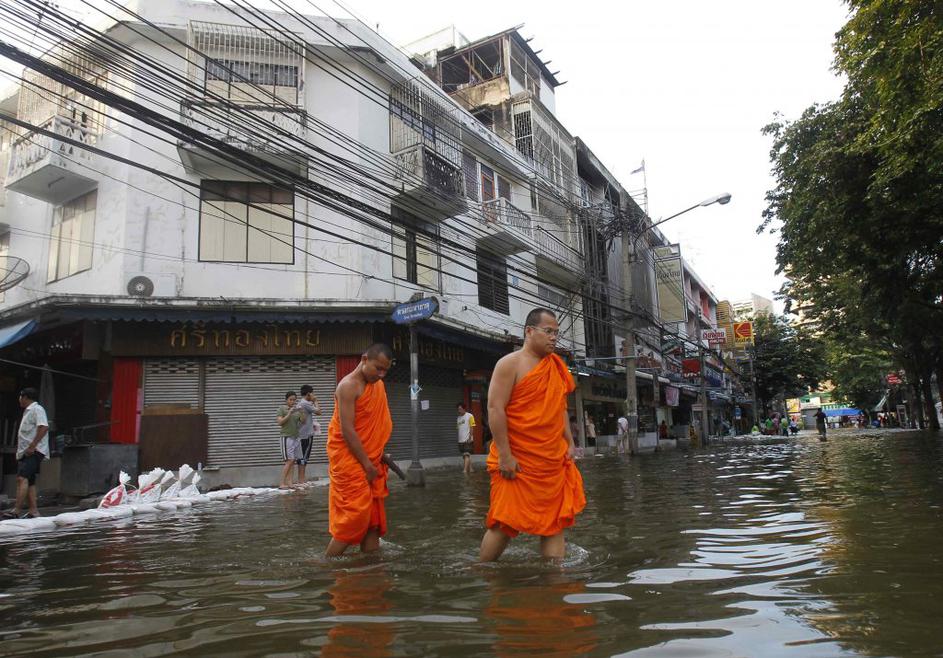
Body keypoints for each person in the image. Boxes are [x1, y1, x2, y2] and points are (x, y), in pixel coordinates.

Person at [479, 308, 586, 562]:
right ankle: (482, 571)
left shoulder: (555, 368)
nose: (553, 338)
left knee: (554, 523)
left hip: (551, 460)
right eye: (548, 331)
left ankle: (554, 582)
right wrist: (505, 455)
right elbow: (495, 409)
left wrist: (569, 442)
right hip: (516, 460)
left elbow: (558, 408)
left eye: (556, 333)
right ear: (529, 331)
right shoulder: (510, 364)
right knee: (503, 524)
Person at [325, 343, 394, 557]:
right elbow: (348, 431)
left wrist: (378, 453)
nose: (381, 375)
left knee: (372, 522)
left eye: (385, 370)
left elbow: (374, 427)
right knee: (352, 519)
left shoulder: (378, 385)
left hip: (370, 460)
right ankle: (326, 564)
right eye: (378, 368)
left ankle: (371, 570)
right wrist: (367, 463)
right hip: (352, 463)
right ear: (364, 359)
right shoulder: (348, 386)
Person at [3, 388, 49, 519]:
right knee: (30, 481)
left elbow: (44, 427)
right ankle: (33, 511)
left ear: (25, 397)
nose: (19, 399)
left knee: (21, 478)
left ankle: (16, 510)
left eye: (20, 397)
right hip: (26, 451)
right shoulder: (28, 411)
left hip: (33, 451)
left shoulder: (37, 409)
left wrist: (32, 446)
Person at [294, 384, 323, 485]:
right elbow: (319, 412)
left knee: (301, 457)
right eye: (312, 393)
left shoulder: (300, 403)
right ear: (308, 394)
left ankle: (301, 479)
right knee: (304, 457)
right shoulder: (306, 403)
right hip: (306, 435)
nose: (314, 395)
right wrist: (315, 401)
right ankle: (301, 480)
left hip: (300, 434)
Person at [276, 391, 306, 489]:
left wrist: (301, 412)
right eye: (291, 399)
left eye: (294, 400)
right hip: (286, 437)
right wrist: (289, 413)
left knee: (293, 461)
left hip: (295, 437)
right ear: (286, 400)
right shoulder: (282, 409)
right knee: (289, 460)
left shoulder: (296, 410)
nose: (293, 401)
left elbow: (303, 421)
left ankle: (289, 483)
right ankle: (281, 483)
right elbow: (280, 422)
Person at [457, 402, 477, 474]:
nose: (459, 410)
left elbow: (472, 427)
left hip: (467, 439)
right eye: (458, 409)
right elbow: (459, 429)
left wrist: (470, 437)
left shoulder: (470, 416)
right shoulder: (458, 418)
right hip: (460, 440)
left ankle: (465, 470)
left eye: (460, 409)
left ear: (464, 408)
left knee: (466, 454)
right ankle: (471, 469)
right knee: (465, 456)